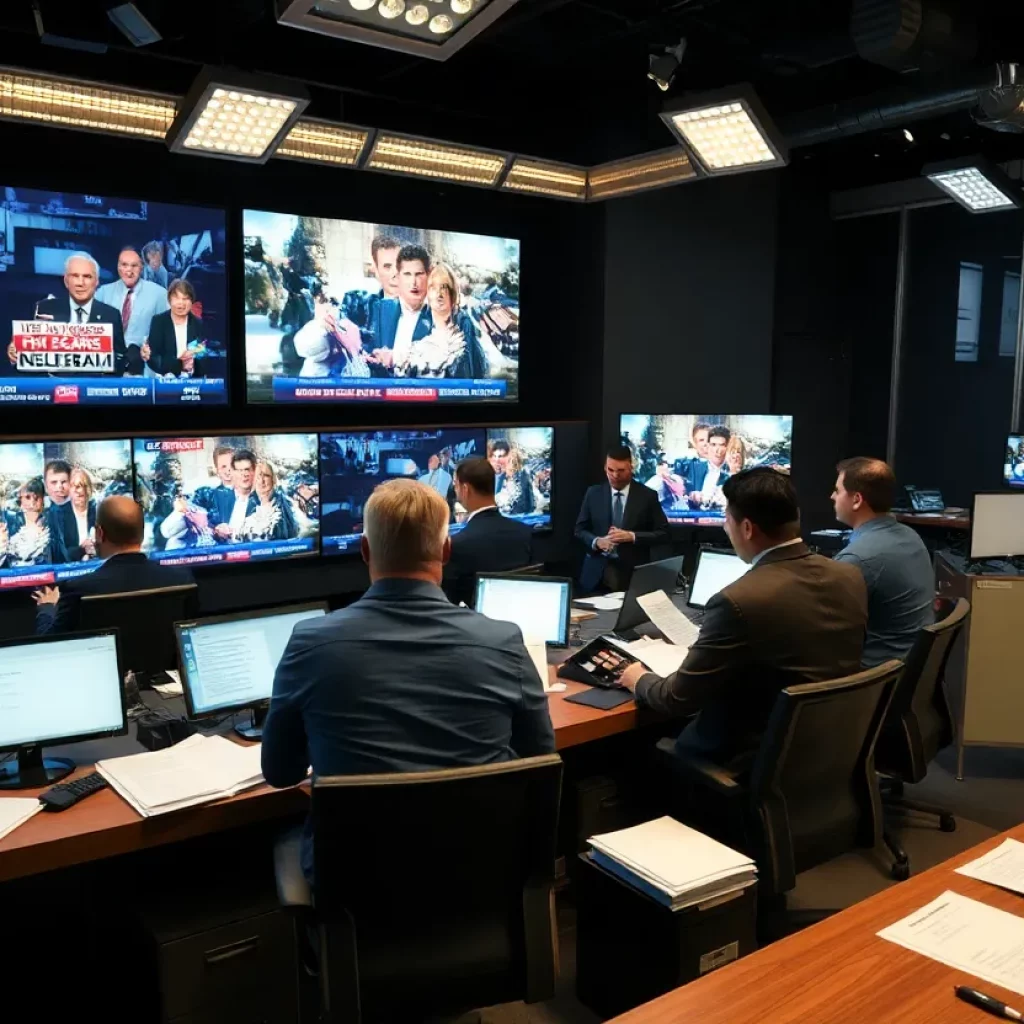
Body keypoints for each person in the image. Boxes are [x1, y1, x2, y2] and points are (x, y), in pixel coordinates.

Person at [262, 478, 555, 887]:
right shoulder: (503, 640)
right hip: (479, 880)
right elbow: (538, 759)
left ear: (364, 550)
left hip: (354, 890)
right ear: (446, 550)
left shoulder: (310, 643)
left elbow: (278, 771)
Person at [618, 468, 867, 771]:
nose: (725, 528)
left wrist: (637, 677)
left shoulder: (737, 601)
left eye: (726, 520)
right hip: (830, 747)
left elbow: (676, 699)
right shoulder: (850, 575)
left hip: (747, 757)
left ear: (747, 528)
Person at [33, 495, 194, 634]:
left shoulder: (78, 589)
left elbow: (49, 643)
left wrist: (47, 608)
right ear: (142, 533)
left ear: (100, 533)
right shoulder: (182, 579)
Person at [832, 457, 935, 667]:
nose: (832, 496)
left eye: (838, 490)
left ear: (857, 499)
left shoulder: (857, 559)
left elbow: (825, 626)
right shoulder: (910, 536)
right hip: (909, 669)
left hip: (874, 678)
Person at [6, 252, 134, 375]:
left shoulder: (111, 315)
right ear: (66, 281)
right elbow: (28, 356)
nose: (80, 283)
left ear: (96, 282)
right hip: (52, 389)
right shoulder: (45, 308)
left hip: (94, 391)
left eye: (87, 277)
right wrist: (15, 353)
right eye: (75, 276)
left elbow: (120, 360)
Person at [575, 445, 670, 592]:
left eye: (620, 471)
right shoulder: (593, 493)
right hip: (595, 576)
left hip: (632, 575)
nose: (615, 475)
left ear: (631, 468)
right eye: (610, 470)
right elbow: (580, 530)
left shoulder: (647, 496)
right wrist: (597, 541)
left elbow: (664, 533)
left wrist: (631, 536)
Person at [442, 457, 534, 606]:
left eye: (456, 485)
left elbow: (449, 604)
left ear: (465, 489)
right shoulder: (524, 533)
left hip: (474, 626)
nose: (455, 491)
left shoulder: (457, 544)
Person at [406, 262, 484, 379]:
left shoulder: (463, 325)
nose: (439, 294)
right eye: (433, 287)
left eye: (444, 287)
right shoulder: (419, 326)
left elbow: (469, 376)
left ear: (453, 294)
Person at [95, 246, 170, 368]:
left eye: (134, 265)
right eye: (124, 265)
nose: (129, 270)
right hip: (107, 367)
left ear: (141, 267)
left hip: (144, 369)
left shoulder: (159, 294)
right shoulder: (103, 293)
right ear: (118, 267)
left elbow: (167, 333)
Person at [366, 244, 434, 371]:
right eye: (407, 274)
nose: (414, 283)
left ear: (429, 275)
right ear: (398, 277)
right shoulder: (379, 310)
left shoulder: (439, 315)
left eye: (419, 274)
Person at [146, 279, 205, 377]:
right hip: (165, 377)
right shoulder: (159, 321)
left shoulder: (197, 324)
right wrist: (179, 365)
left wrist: (193, 365)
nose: (180, 303)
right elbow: (154, 359)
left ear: (191, 302)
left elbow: (202, 357)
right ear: (169, 300)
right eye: (176, 298)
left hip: (191, 378)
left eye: (185, 298)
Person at [3, 478, 59, 567]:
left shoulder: (52, 525)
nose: (32, 503)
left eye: (36, 498)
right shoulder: (9, 524)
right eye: (28, 497)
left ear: (43, 500)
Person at [238, 460, 299, 542]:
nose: (261, 481)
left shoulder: (284, 506)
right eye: (258, 476)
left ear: (273, 480)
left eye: (266, 475)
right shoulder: (251, 508)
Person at [211, 449, 258, 543]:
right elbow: (208, 524)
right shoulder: (219, 497)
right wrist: (216, 529)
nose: (244, 474)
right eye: (239, 470)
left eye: (247, 470)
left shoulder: (264, 499)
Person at [56, 467, 98, 562]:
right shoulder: (60, 514)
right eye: (73, 486)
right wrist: (82, 549)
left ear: (89, 490)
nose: (78, 491)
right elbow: (60, 554)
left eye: (82, 486)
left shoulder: (97, 510)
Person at [687, 425, 731, 506]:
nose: (717, 450)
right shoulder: (695, 468)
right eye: (713, 445)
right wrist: (691, 496)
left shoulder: (732, 472)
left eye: (722, 445)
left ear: (727, 447)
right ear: (708, 446)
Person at [490, 439, 536, 518]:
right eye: (495, 456)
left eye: (500, 456)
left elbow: (526, 506)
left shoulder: (523, 475)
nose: (497, 460)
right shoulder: (499, 477)